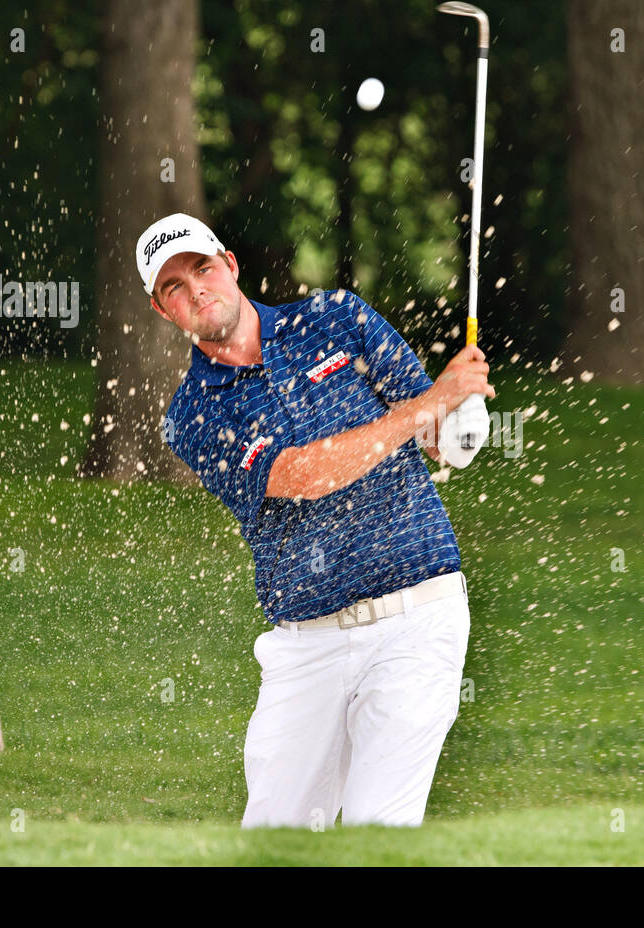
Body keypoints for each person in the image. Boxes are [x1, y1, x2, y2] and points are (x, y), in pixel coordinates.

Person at [134, 213, 494, 828]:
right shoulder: (193, 415)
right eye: (174, 286)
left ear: (230, 264)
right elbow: (302, 477)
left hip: (418, 618)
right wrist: (425, 406)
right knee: (275, 837)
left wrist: (457, 412)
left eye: (202, 267)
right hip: (307, 645)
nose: (196, 289)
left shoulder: (335, 318)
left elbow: (435, 432)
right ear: (164, 310)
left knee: (378, 830)